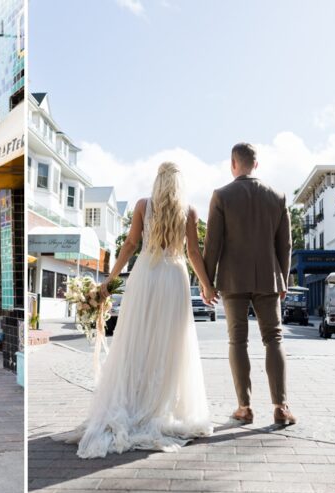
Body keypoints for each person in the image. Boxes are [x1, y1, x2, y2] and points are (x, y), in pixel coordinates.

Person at [53, 162, 214, 458]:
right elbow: (193, 252)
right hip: (173, 279)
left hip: (146, 276)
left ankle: (134, 402)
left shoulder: (142, 205)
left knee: (136, 342)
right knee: (170, 345)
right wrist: (206, 286)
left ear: (158, 181)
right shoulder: (188, 211)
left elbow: (129, 244)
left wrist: (109, 279)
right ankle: (162, 406)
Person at [203, 142, 297, 426]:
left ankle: (244, 407)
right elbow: (286, 244)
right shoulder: (277, 196)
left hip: (232, 279)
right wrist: (283, 277)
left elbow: (212, 244)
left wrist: (207, 282)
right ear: (256, 164)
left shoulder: (221, 196)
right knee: (274, 339)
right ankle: (281, 407)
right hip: (269, 278)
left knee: (237, 340)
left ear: (233, 163)